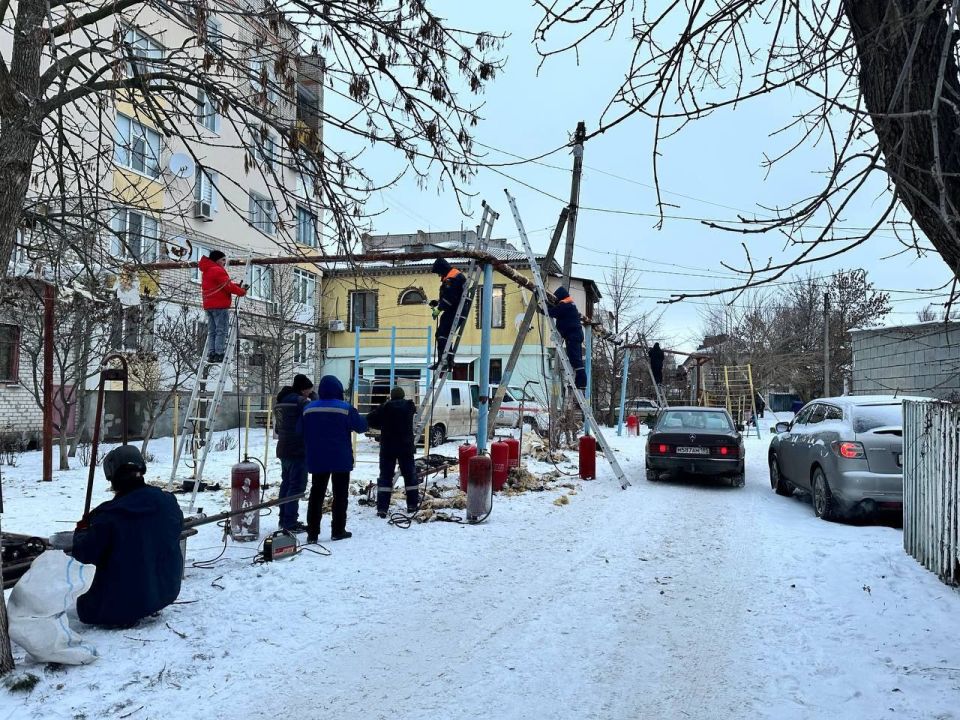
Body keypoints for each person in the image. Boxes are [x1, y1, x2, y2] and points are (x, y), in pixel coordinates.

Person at [71, 446, 183, 628]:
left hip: (116, 608)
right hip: (164, 592)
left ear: (112, 476)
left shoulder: (108, 515)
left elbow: (85, 554)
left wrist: (82, 531)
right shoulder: (168, 502)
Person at [301, 375, 368, 542]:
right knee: (340, 495)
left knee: (316, 494)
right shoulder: (345, 408)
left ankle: (312, 533)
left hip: (317, 458)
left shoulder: (308, 408)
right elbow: (361, 427)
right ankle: (338, 530)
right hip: (340, 458)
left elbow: (299, 430)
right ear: (338, 389)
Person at [366, 386, 419, 518]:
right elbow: (414, 410)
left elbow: (370, 419)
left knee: (385, 477)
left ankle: (382, 508)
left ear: (392, 396)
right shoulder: (409, 406)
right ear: (402, 396)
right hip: (406, 447)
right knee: (410, 476)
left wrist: (382, 424)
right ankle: (412, 505)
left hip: (388, 447)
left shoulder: (385, 407)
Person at [274, 374, 316, 532]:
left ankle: (283, 519)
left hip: (283, 448)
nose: (309, 394)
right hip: (298, 449)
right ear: (302, 389)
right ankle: (290, 523)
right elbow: (314, 412)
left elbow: (278, 428)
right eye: (308, 391)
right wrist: (313, 397)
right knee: (296, 486)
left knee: (286, 484)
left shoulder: (280, 402)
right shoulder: (300, 401)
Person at [198, 250, 246, 363]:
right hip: (220, 306)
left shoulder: (207, 270)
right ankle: (219, 353)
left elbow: (221, 285)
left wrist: (236, 286)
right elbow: (227, 287)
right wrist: (241, 291)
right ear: (217, 260)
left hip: (209, 305)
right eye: (223, 260)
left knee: (212, 331)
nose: (225, 262)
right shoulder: (218, 270)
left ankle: (212, 353)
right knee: (221, 330)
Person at [429, 257, 469, 370]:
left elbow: (450, 298)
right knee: (444, 334)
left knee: (442, 334)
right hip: (456, 309)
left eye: (438, 273)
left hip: (456, 310)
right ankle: (447, 361)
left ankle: (444, 361)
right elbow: (451, 296)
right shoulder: (454, 276)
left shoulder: (451, 278)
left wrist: (439, 309)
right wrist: (437, 302)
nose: (438, 276)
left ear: (442, 269)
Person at [547, 286, 587, 390]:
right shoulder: (571, 305)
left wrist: (543, 309)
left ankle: (581, 383)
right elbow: (558, 311)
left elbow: (553, 312)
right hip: (576, 335)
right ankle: (579, 382)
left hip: (572, 336)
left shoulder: (565, 305)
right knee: (576, 360)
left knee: (574, 359)